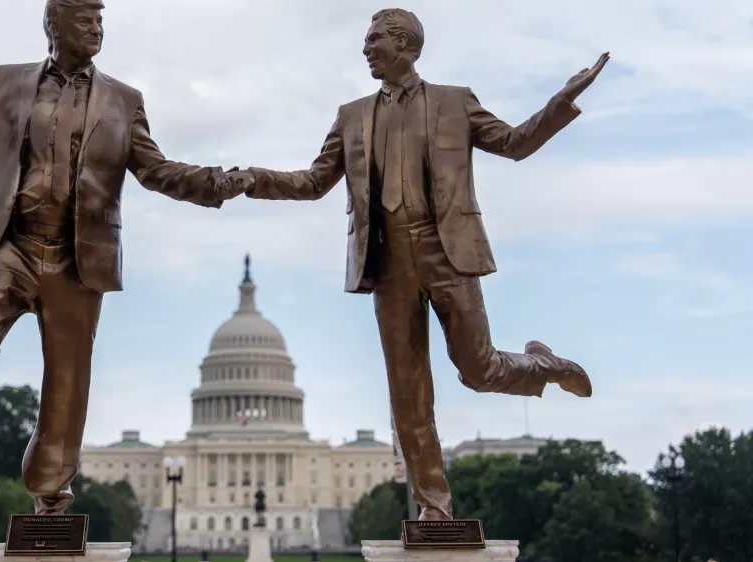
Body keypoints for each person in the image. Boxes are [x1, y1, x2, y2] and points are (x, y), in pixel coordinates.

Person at [0, 0, 241, 515]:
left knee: (67, 384)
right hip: (12, 244)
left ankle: (49, 491)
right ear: (54, 26)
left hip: (78, 261)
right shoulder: (7, 82)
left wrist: (218, 181)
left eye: (101, 21)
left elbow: (156, 170)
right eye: (86, 20)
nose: (97, 28)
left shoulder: (125, 100)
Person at [224, 8, 608, 521]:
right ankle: (435, 506)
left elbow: (515, 145)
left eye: (374, 40)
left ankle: (544, 364)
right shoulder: (352, 115)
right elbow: (315, 182)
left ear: (406, 45)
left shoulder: (455, 102)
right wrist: (255, 178)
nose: (365, 49)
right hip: (387, 262)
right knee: (408, 392)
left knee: (478, 369)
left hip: (446, 251)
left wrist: (561, 102)